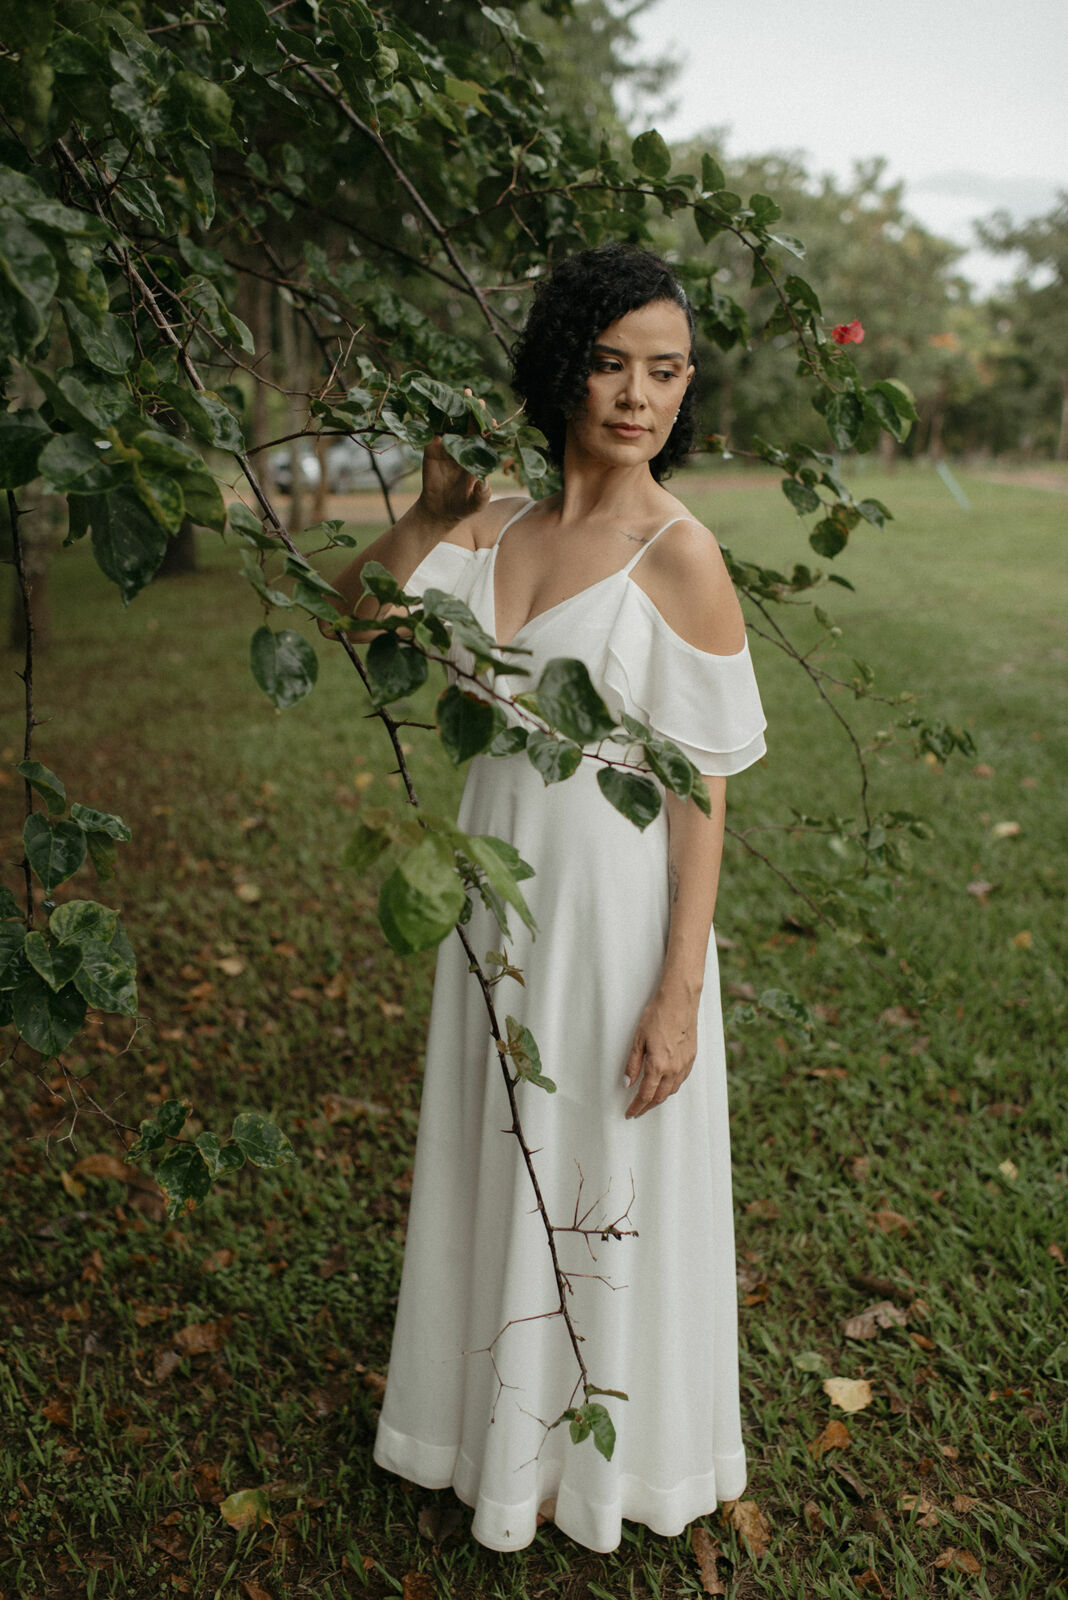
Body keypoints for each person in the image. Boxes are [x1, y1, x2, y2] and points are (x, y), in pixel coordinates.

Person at [323, 244, 767, 1553]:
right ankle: (484, 1440)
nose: (640, 395)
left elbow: (700, 790)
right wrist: (422, 515)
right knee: (497, 1150)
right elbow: (353, 617)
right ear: (561, 364)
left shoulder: (680, 555)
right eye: (612, 361)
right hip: (497, 898)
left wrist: (678, 992)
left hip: (616, 919)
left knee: (599, 1169)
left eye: (668, 370)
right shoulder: (494, 522)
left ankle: (607, 1469)